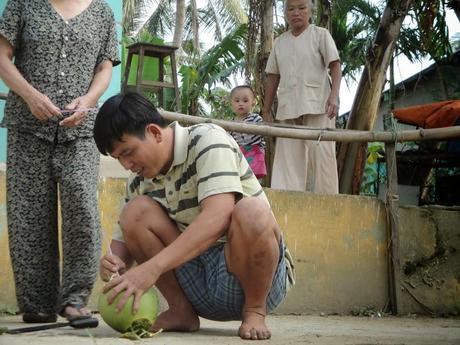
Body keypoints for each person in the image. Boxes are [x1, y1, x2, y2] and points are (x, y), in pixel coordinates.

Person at [94, 92, 295, 340]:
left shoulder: (208, 139)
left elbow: (219, 216)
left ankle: (255, 311)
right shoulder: (138, 181)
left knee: (251, 211)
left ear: (155, 133)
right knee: (135, 212)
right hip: (196, 285)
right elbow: (122, 244)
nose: (126, 165)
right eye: (118, 158)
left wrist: (152, 269)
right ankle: (181, 311)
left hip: (251, 279)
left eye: (128, 152)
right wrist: (112, 263)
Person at [0, 0, 120, 322]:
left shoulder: (103, 12)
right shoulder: (23, 4)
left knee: (82, 207)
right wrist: (29, 95)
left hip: (80, 129)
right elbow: (1, 56)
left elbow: (104, 67)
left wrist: (90, 100)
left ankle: (75, 300)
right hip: (27, 125)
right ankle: (37, 304)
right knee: (29, 214)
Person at [262, 0, 342, 194]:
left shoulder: (320, 35)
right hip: (288, 107)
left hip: (318, 104)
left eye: (301, 8)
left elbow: (335, 65)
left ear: (310, 11)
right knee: (287, 160)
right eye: (291, 9)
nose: (296, 13)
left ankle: (328, 203)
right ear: (286, 13)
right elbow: (273, 77)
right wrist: (265, 110)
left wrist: (334, 97)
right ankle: (286, 203)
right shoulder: (280, 42)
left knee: (323, 158)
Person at [229, 85, 267, 181]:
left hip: (254, 151)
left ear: (253, 102)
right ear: (231, 103)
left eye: (245, 101)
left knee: (254, 177)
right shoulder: (231, 123)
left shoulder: (256, 118)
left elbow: (263, 133)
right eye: (237, 101)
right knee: (240, 176)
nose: (241, 104)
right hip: (239, 153)